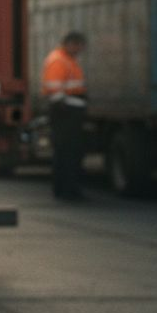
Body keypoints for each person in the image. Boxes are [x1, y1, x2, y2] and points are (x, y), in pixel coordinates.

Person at [41, 31, 88, 201]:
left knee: (67, 153)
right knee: (67, 153)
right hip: (64, 113)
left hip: (66, 111)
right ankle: (66, 189)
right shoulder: (59, 61)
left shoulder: (67, 60)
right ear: (70, 44)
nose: (81, 49)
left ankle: (65, 189)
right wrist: (79, 104)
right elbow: (55, 93)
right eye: (79, 45)